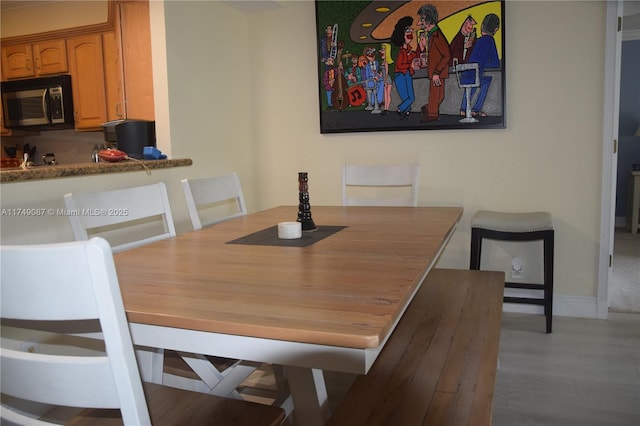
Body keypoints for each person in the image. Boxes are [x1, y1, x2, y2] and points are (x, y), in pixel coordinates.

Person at [461, 13, 500, 117]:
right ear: (496, 29)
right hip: (476, 74)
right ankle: (476, 109)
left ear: (482, 26)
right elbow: (495, 62)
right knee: (486, 82)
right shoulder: (490, 41)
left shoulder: (477, 41)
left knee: (473, 81)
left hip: (466, 73)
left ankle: (463, 108)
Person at [417, 4, 451, 123]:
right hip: (436, 72)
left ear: (428, 20)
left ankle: (430, 111)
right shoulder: (432, 35)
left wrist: (436, 72)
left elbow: (446, 55)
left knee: (439, 96)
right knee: (437, 96)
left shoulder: (436, 36)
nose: (419, 24)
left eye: (421, 20)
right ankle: (431, 113)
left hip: (438, 72)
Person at [391, 16, 418, 120]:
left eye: (411, 30)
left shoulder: (411, 51)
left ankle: (405, 112)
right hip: (400, 76)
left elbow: (415, 60)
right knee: (408, 97)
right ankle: (401, 109)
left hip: (408, 75)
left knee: (409, 97)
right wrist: (410, 65)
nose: (410, 32)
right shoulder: (402, 52)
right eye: (407, 30)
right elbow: (399, 66)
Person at [379, 43, 394, 115]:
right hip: (384, 78)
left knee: (388, 94)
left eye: (382, 50)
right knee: (385, 94)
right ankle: (385, 108)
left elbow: (387, 72)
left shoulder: (386, 62)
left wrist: (385, 80)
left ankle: (387, 108)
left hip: (387, 79)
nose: (381, 51)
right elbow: (382, 72)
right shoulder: (382, 61)